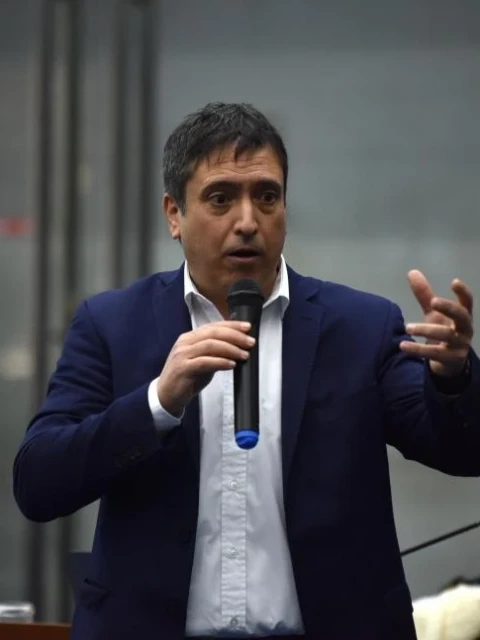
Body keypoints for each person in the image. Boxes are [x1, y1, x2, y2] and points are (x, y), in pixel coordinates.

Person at [13, 102, 480, 640]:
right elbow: (38, 483)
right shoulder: (111, 324)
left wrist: (453, 377)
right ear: (173, 214)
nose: (247, 222)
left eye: (266, 196)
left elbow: (463, 452)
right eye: (220, 198)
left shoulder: (362, 326)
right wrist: (157, 403)